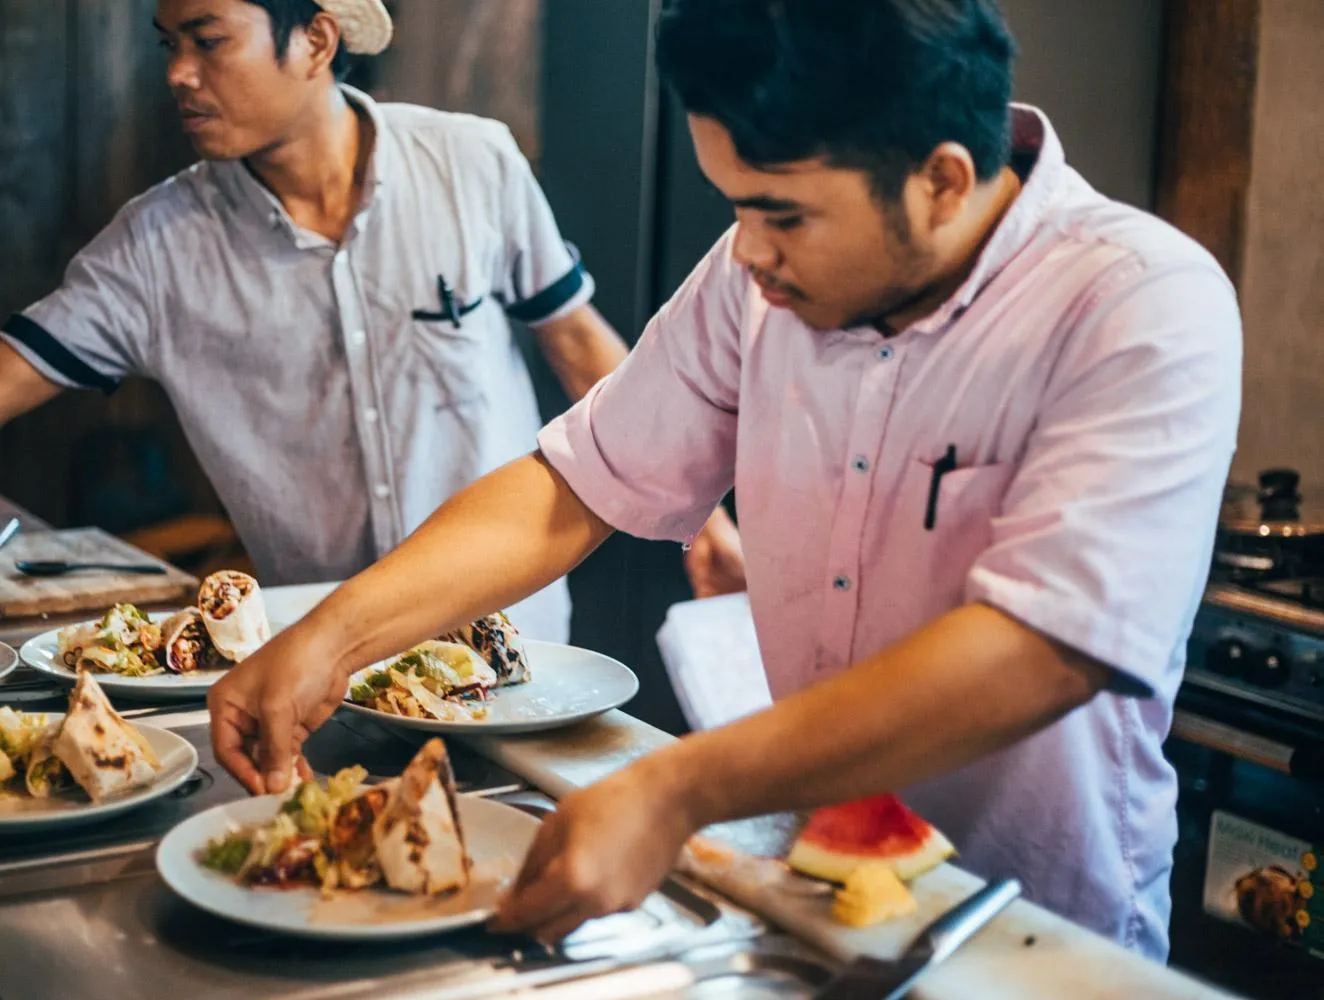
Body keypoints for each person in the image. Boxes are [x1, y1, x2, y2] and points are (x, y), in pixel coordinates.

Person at [206, 0, 1240, 960]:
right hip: (809, 892)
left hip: (1040, 932)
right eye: (737, 206)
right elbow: (571, 486)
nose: (749, 251)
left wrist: (675, 789)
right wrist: (330, 637)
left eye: (783, 215)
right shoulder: (757, 281)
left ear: (940, 180)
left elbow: (1039, 652)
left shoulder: (1137, 303)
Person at [0, 0, 742, 638]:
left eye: (208, 41)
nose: (178, 74)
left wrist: (704, 522)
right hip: (321, 654)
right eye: (167, 44)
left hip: (517, 636)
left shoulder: (475, 164)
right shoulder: (157, 247)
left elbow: (578, 345)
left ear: (315, 39)